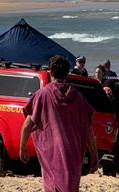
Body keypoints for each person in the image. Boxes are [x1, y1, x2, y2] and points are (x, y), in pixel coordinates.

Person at [19, 55, 98, 192]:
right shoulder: (78, 97)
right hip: (73, 153)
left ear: (50, 72)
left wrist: (23, 147)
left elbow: (27, 125)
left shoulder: (42, 95)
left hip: (51, 153)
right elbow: (88, 129)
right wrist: (94, 154)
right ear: (67, 73)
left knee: (52, 185)